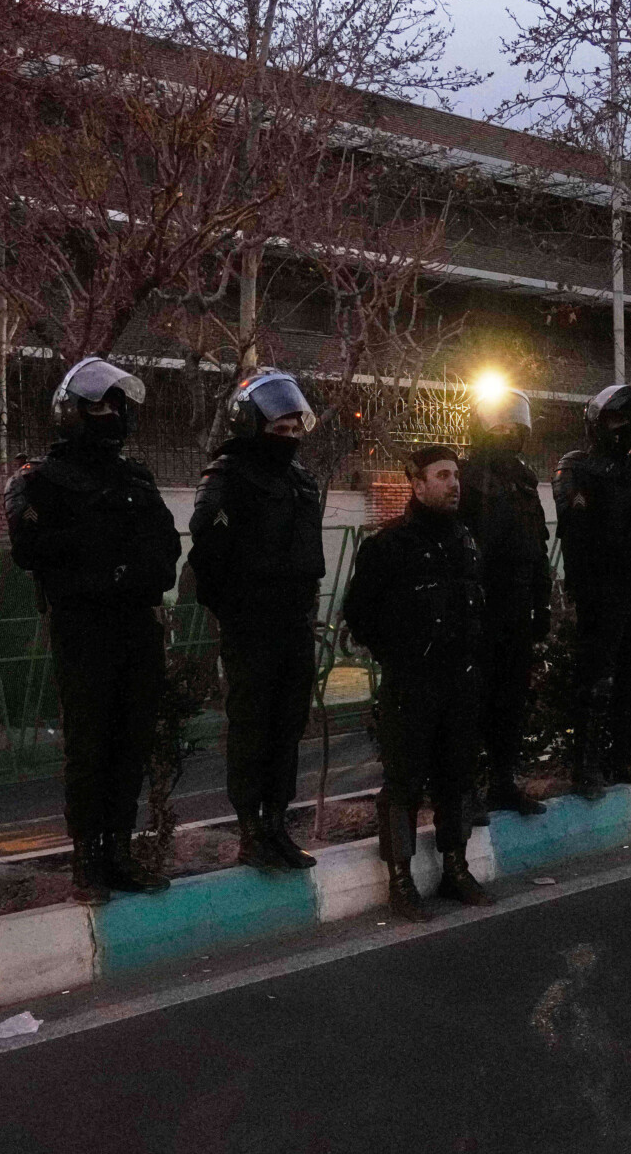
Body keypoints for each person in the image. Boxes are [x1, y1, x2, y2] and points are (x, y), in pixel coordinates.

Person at [4, 358, 181, 904]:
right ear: (73, 412)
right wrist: (102, 551)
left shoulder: (137, 477)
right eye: (101, 405)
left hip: (136, 626)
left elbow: (166, 551)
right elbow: (31, 550)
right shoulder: (40, 481)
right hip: (83, 629)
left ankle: (120, 853)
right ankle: (87, 862)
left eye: (118, 406)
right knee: (89, 747)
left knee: (131, 743)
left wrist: (122, 564)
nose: (114, 415)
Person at [341, 445, 491, 922]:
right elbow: (359, 614)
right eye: (443, 475)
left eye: (457, 476)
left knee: (458, 776)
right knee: (403, 783)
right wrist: (403, 656)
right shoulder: (388, 546)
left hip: (462, 682)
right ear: (418, 483)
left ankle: (455, 866)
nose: (454, 484)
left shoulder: (466, 539)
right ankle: (401, 881)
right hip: (412, 685)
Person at [190, 367, 326, 871]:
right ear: (251, 424)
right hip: (251, 625)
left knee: (289, 727)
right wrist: (237, 613)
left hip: (294, 622)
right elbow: (208, 557)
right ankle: (251, 831)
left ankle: (276, 823)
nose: (287, 439)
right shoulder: (227, 478)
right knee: (252, 728)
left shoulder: (300, 480)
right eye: (278, 429)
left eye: (294, 430)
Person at [555, 385, 631, 797]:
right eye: (618, 420)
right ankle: (585, 768)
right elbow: (577, 536)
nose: (627, 429)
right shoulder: (577, 467)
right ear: (597, 422)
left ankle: (627, 757)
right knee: (595, 681)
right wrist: (588, 591)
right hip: (602, 591)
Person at [458, 384, 555, 818]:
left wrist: (543, 603)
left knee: (511, 701)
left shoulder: (523, 481)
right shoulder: (464, 477)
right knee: (473, 701)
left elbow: (536, 547)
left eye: (515, 423)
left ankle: (502, 781)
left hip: (517, 607)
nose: (509, 431)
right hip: (479, 608)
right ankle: (466, 788)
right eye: (500, 422)